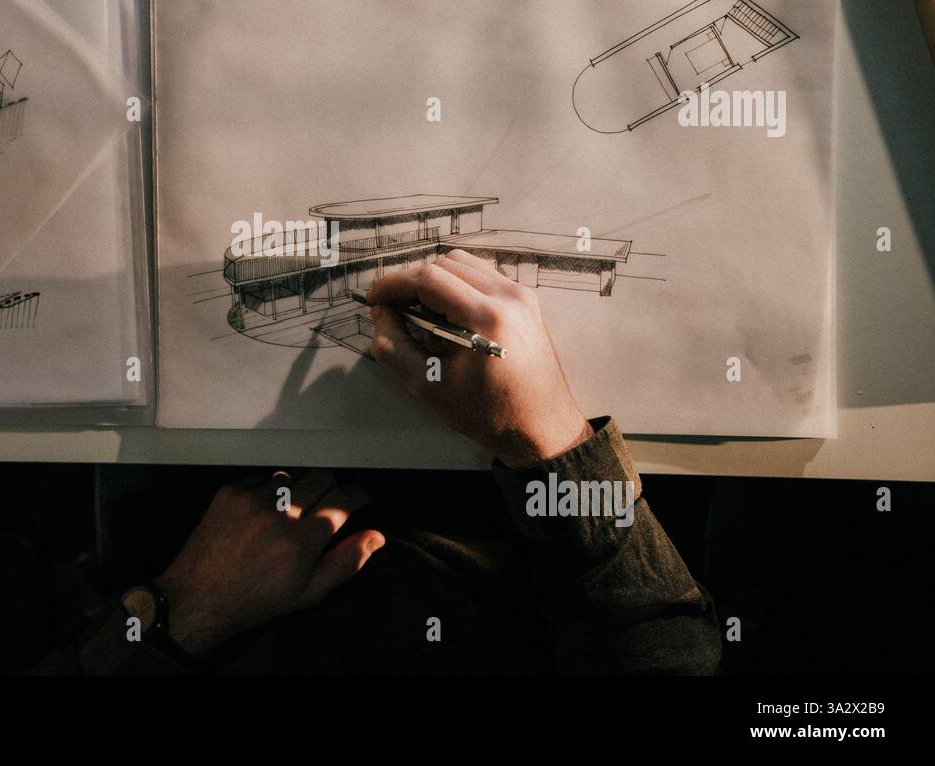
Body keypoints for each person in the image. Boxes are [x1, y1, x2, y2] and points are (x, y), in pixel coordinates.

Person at [40, 250, 722, 674]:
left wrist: (183, 613)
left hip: (216, 570)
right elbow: (662, 652)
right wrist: (552, 442)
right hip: (524, 562)